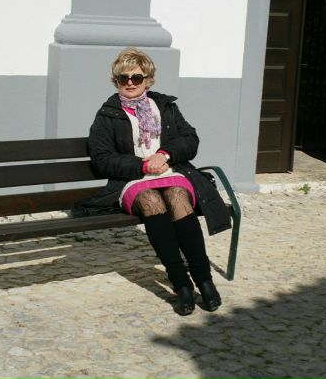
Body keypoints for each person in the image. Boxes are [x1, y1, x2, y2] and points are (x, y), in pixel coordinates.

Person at [86, 47, 231, 315]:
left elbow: (189, 139)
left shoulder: (165, 106)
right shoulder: (107, 114)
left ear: (148, 79)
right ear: (116, 81)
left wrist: (165, 154)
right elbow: (102, 158)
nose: (130, 83)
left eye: (136, 77)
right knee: (152, 201)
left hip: (171, 171)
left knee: (177, 197)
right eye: (123, 78)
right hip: (133, 179)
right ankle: (181, 283)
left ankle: (204, 279)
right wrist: (141, 164)